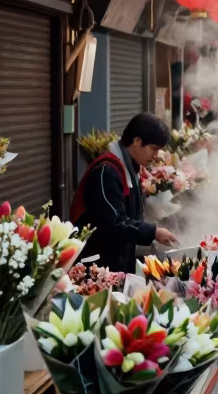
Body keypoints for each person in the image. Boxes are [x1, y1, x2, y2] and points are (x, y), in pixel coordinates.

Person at [70, 112, 179, 275]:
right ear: (136, 141)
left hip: (117, 263)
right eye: (153, 149)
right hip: (97, 268)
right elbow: (114, 223)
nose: (156, 157)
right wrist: (153, 232)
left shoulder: (129, 168)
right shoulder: (106, 172)